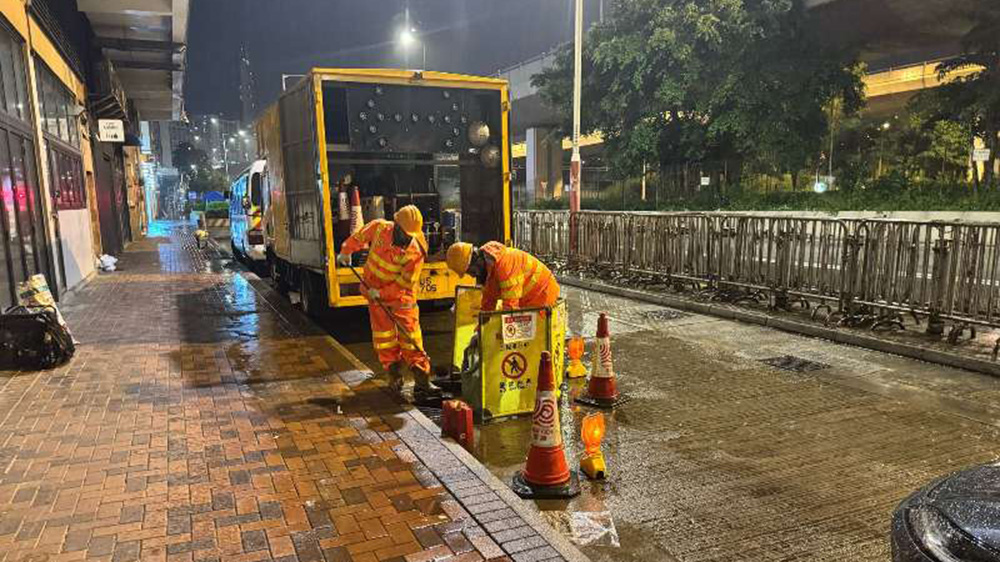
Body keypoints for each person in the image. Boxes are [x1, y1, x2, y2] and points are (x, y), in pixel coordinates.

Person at [338, 205, 437, 401]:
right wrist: (346, 250)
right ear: (396, 226)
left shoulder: (415, 252)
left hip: (400, 297)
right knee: (384, 337)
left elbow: (404, 284)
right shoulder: (381, 228)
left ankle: (422, 378)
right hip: (374, 293)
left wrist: (381, 293)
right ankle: (393, 375)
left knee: (411, 337)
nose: (408, 238)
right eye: (405, 233)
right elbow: (359, 237)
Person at [445, 242, 559, 311]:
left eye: (470, 271)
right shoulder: (489, 271)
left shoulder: (504, 265)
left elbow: (510, 309)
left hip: (543, 294)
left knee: (534, 340)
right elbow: (488, 305)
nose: (472, 275)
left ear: (476, 259)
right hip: (528, 298)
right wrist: (479, 331)